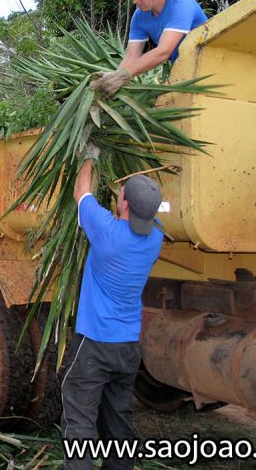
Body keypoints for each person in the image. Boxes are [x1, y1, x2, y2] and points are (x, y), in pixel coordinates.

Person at [60, 144, 164, 470]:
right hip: (128, 349)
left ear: (125, 205)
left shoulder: (106, 232)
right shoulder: (155, 239)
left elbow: (81, 190)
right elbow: (140, 218)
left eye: (121, 194)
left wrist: (90, 154)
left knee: (79, 420)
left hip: (95, 344)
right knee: (118, 421)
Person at [92, 0, 207, 99]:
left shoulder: (182, 5)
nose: (135, 0)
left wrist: (125, 75)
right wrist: (113, 78)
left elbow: (164, 51)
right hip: (183, 69)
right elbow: (131, 56)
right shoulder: (139, 16)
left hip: (209, 65)